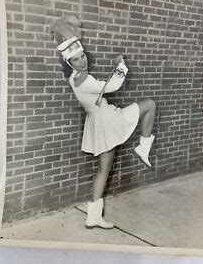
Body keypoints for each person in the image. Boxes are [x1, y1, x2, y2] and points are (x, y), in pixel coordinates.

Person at [51, 16, 156, 230]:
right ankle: (143, 147)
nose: (83, 61)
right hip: (108, 120)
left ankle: (93, 217)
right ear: (69, 63)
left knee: (103, 170)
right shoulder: (84, 79)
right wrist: (121, 66)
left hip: (98, 123)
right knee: (150, 105)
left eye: (83, 57)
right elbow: (111, 87)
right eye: (77, 60)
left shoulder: (74, 78)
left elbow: (100, 86)